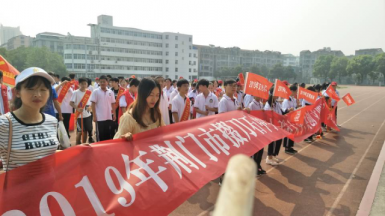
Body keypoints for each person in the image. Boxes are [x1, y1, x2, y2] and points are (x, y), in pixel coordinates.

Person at [0, 67, 59, 171]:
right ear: (17, 92)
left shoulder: (52, 121)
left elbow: (46, 152)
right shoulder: (4, 124)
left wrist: (78, 150)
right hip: (17, 186)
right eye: (30, 89)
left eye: (43, 89)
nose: (37, 94)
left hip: (49, 186)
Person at [91, 75, 116, 141]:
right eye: (101, 82)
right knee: (100, 135)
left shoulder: (110, 92)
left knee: (108, 134)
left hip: (108, 116)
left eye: (104, 81)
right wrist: (94, 116)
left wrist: (114, 114)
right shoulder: (96, 91)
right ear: (99, 82)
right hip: (100, 117)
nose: (102, 83)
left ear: (107, 82)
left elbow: (113, 103)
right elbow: (93, 104)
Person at [70, 77, 93, 144]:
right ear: (79, 84)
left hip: (87, 114)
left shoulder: (89, 92)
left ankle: (84, 144)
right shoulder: (75, 92)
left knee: (85, 131)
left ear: (87, 84)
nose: (83, 85)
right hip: (79, 115)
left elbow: (91, 102)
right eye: (82, 84)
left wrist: (90, 107)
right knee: (80, 131)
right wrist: (77, 108)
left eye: (85, 84)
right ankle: (77, 144)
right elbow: (71, 103)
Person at [264, 87, 283, 166]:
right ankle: (269, 157)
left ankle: (273, 155)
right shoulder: (268, 104)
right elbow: (266, 114)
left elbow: (281, 112)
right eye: (276, 93)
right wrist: (270, 113)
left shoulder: (277, 103)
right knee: (272, 141)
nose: (278, 95)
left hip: (278, 125)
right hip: (271, 126)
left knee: (278, 140)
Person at [248, 96, 266, 176]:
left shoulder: (261, 104)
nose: (259, 96)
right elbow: (249, 116)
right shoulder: (251, 104)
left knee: (261, 148)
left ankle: (258, 165)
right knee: (254, 149)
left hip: (260, 128)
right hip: (253, 129)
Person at [282, 85, 298, 154]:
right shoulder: (286, 100)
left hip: (293, 118)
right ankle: (287, 147)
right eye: (295, 91)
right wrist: (289, 110)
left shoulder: (293, 99)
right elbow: (284, 110)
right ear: (291, 91)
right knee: (288, 133)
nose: (295, 93)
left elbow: (295, 107)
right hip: (288, 119)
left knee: (292, 132)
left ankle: (290, 146)